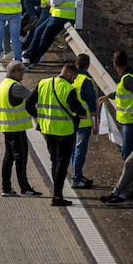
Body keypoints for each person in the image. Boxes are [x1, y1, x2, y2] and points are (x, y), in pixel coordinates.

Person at [28, 60, 86, 206]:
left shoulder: (43, 83)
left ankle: (57, 192)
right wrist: (83, 112)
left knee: (54, 161)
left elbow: (28, 103)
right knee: (62, 162)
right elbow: (78, 109)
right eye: (73, 77)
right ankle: (57, 197)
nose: (73, 81)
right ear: (69, 73)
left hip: (47, 129)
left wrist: (38, 117)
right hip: (64, 132)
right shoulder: (68, 89)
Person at [0, 62, 41, 197]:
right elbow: (33, 98)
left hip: (7, 127)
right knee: (21, 158)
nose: (23, 73)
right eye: (20, 71)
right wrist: (40, 87)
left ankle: (6, 188)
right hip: (16, 128)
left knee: (9, 157)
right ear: (13, 71)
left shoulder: (3, 85)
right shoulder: (16, 87)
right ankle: (25, 188)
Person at [98, 50, 133, 161]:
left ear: (115, 63)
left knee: (127, 154)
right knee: (129, 153)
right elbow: (122, 93)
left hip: (131, 122)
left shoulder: (128, 79)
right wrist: (108, 96)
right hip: (129, 121)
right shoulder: (127, 77)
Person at [69, 52, 98, 190]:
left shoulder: (70, 78)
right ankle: (76, 178)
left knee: (74, 150)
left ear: (76, 64)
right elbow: (92, 105)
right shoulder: (87, 81)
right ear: (88, 66)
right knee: (80, 150)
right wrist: (95, 123)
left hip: (70, 120)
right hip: (84, 122)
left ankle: (77, 175)